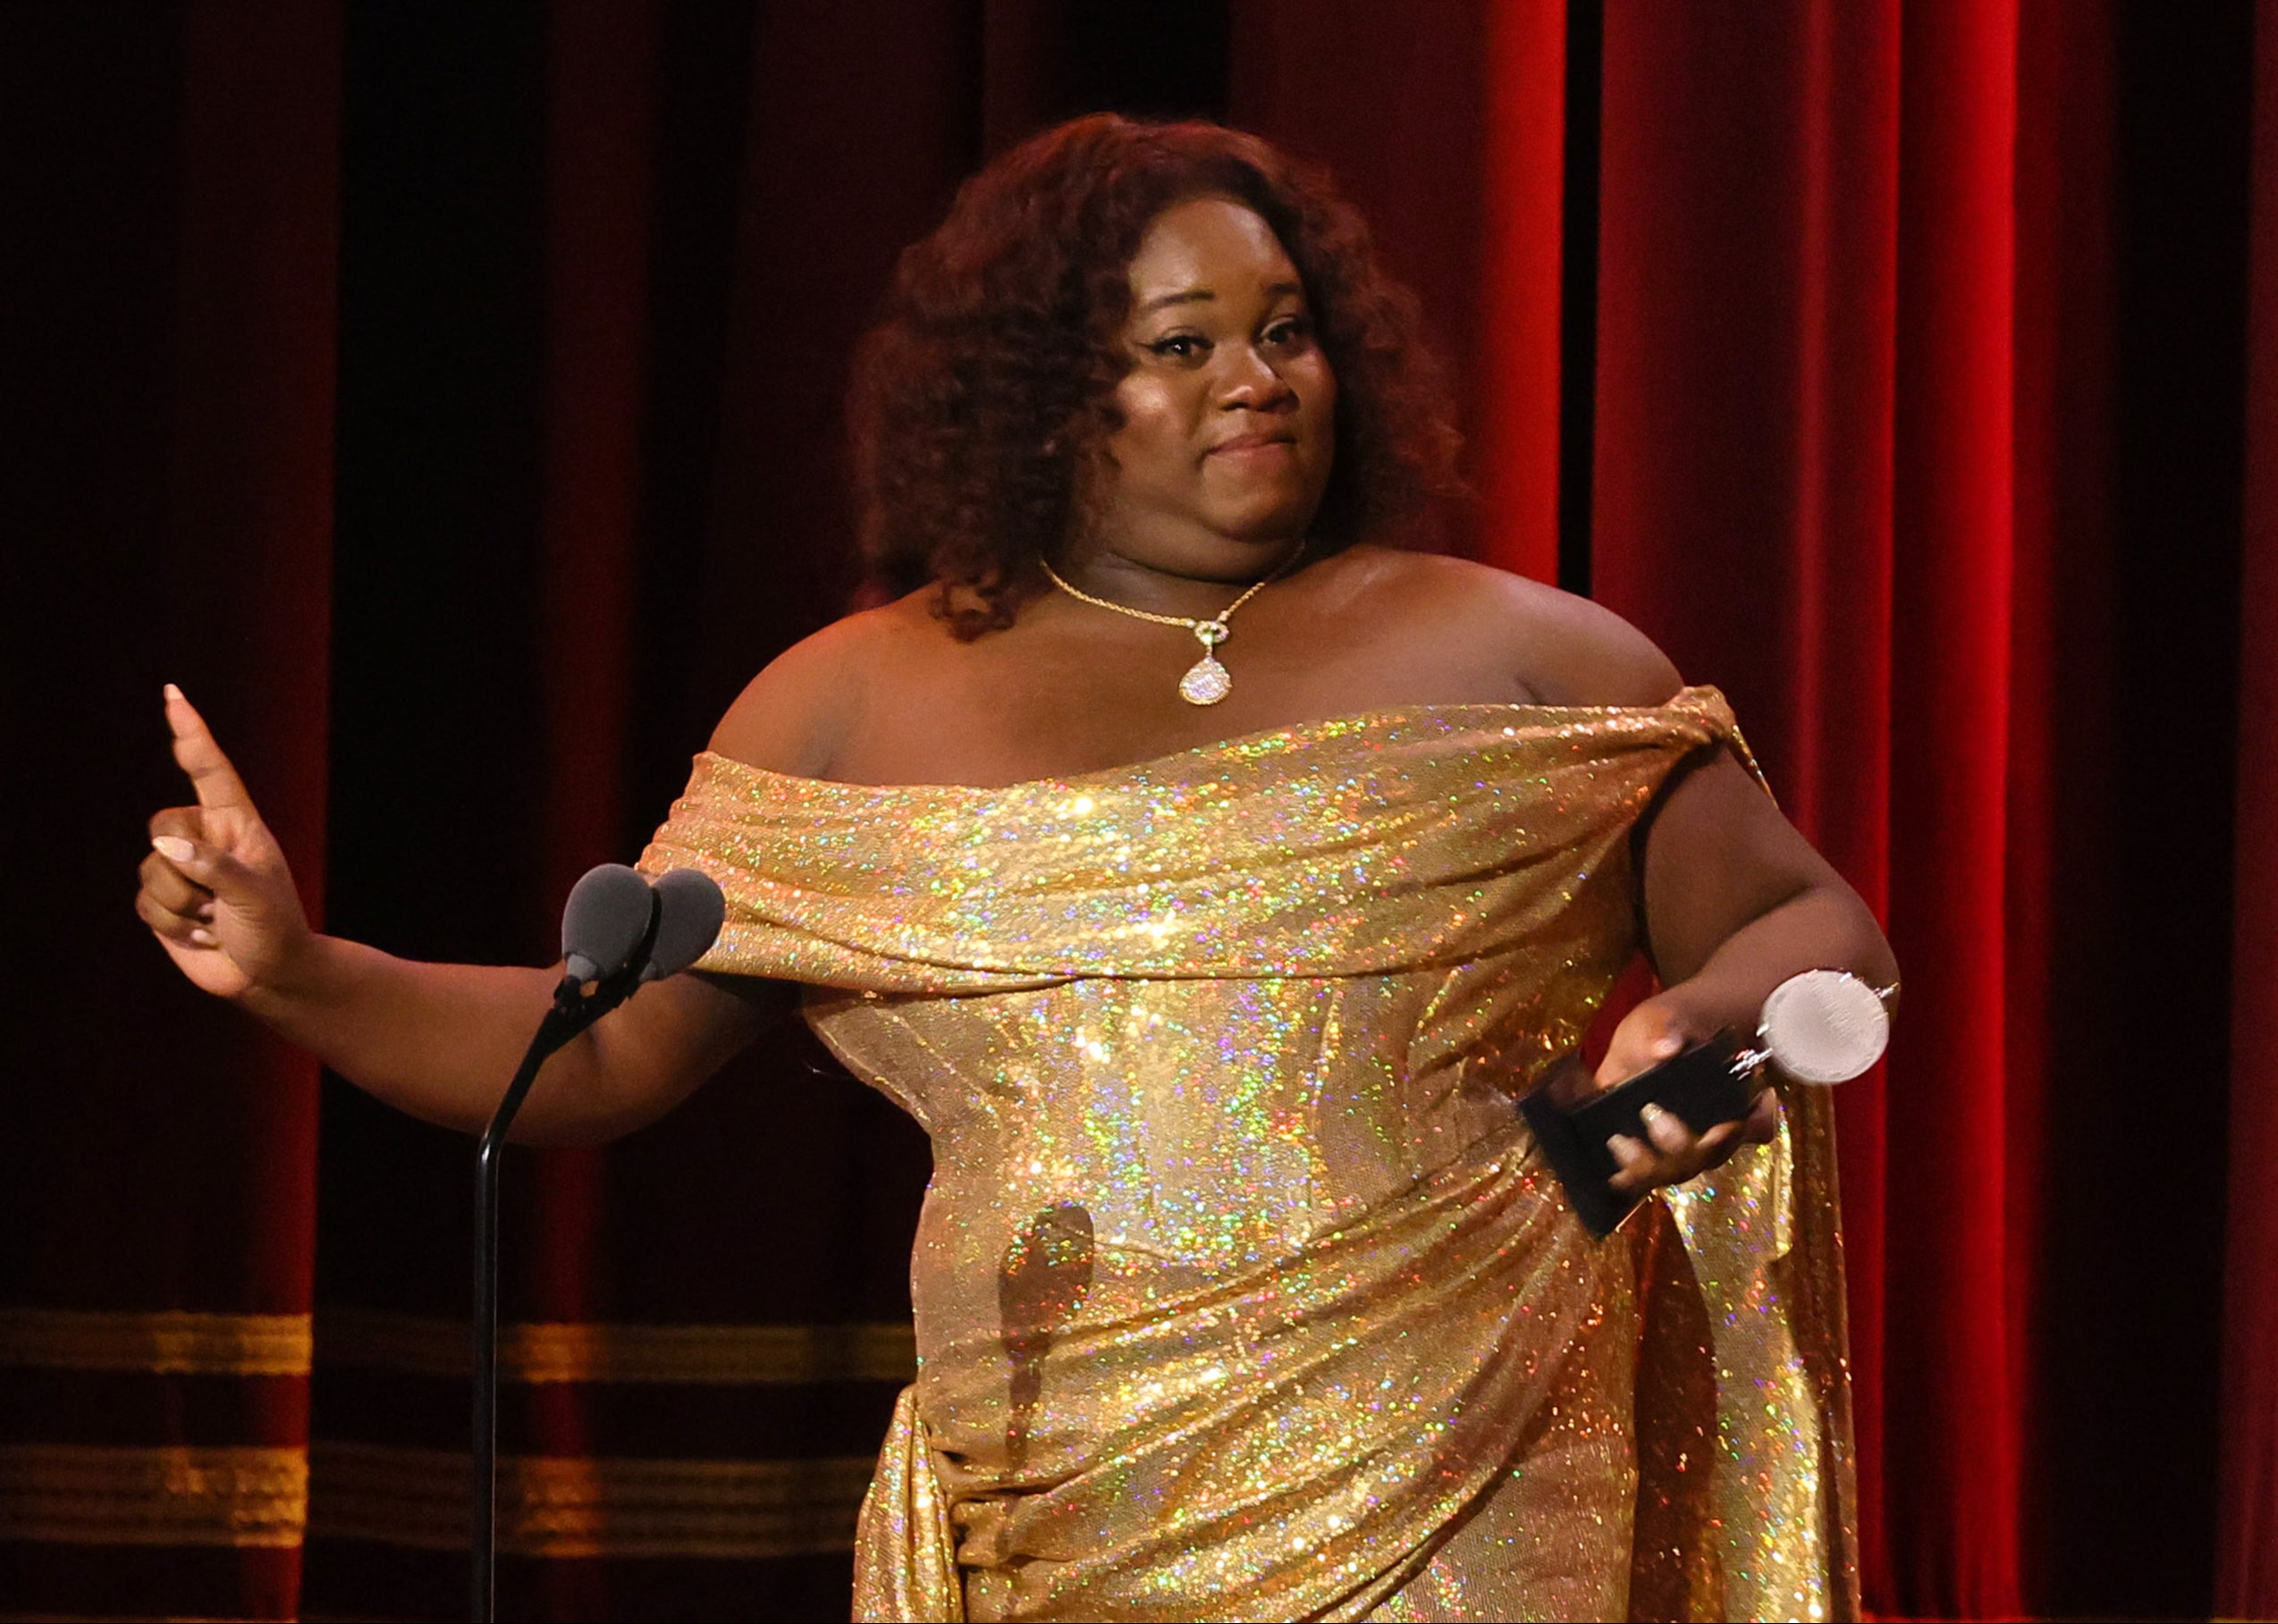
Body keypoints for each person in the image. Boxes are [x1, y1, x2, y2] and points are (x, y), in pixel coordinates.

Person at [135, 115, 1894, 1622]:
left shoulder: (1530, 658)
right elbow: (593, 1050)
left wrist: (1718, 1017)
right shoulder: (846, 705)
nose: (1256, 381)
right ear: (1050, 397)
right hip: (1051, 1505)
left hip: (1469, 1469)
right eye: (1180, 345)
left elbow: (1825, 936)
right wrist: (301, 970)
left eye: (1282, 331)